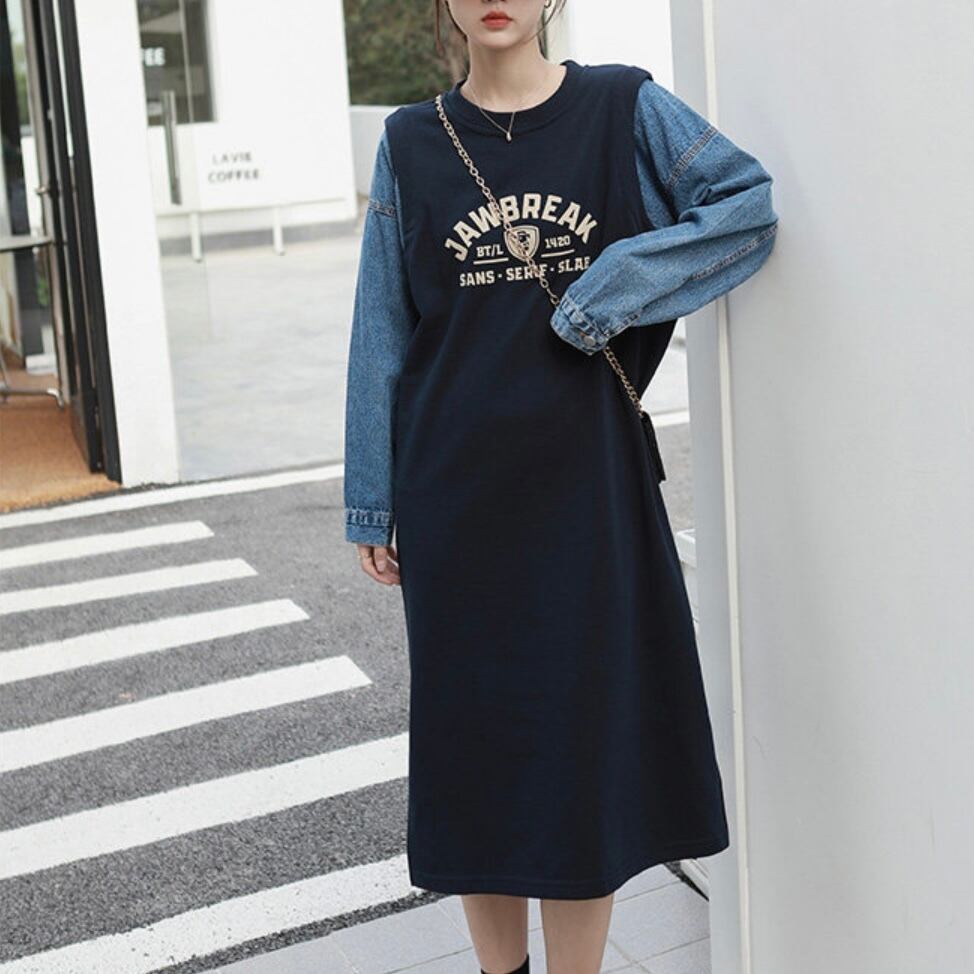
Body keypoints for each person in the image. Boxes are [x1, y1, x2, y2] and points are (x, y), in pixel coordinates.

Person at [343, 3, 778, 972]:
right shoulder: (410, 142)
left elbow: (744, 205)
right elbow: (381, 324)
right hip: (454, 500)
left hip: (588, 495)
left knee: (583, 755)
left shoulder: (621, 108)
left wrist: (613, 287)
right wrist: (373, 492)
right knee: (478, 759)